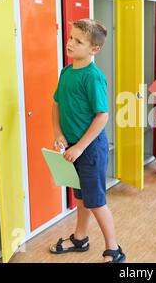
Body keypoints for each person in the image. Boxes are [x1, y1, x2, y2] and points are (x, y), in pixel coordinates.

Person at [49, 19, 125, 262]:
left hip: (90, 150)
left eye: (78, 41)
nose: (70, 43)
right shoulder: (66, 72)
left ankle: (114, 248)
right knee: (82, 197)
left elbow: (102, 116)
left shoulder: (93, 77)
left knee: (96, 201)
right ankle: (80, 238)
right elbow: (56, 103)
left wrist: (80, 147)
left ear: (94, 49)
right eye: (71, 38)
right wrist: (57, 133)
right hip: (73, 147)